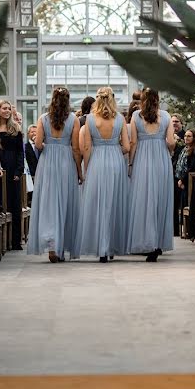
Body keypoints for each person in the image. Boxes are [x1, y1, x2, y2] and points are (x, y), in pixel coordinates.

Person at [28, 87, 82, 263]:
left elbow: (37, 144)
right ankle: (61, 247)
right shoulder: (74, 120)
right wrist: (79, 171)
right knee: (65, 203)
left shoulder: (43, 119)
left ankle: (52, 247)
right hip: (66, 161)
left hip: (48, 163)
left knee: (49, 203)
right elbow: (75, 147)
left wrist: (49, 149)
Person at [77, 87, 130, 262]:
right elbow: (127, 147)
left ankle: (101, 247)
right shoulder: (120, 119)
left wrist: (86, 167)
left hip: (97, 162)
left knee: (98, 204)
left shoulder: (90, 120)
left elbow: (86, 147)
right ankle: (111, 246)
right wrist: (115, 150)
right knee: (114, 204)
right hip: (115, 160)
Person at [126, 88, 176, 261]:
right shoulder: (166, 116)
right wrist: (170, 150)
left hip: (142, 160)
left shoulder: (136, 116)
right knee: (160, 200)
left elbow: (132, 142)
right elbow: (170, 141)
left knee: (144, 200)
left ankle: (147, 241)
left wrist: (130, 164)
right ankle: (158, 244)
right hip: (161, 159)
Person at [0, 99, 25, 250]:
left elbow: (21, 152)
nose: (7, 111)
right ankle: (1, 242)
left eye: (8, 108)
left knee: (15, 204)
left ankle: (15, 241)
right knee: (0, 202)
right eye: (4, 108)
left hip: (13, 166)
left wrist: (18, 171)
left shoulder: (16, 128)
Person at [175, 129, 195, 239]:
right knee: (182, 204)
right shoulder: (184, 149)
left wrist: (183, 179)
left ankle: (191, 231)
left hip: (190, 180)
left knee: (189, 203)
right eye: (185, 136)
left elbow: (193, 166)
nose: (186, 138)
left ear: (194, 138)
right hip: (182, 179)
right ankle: (186, 230)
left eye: (189, 136)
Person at [170, 113, 185, 235]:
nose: (174, 123)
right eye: (172, 121)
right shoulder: (168, 135)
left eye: (177, 121)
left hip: (179, 173)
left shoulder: (184, 137)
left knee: (177, 201)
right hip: (169, 170)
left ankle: (178, 228)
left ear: (181, 123)